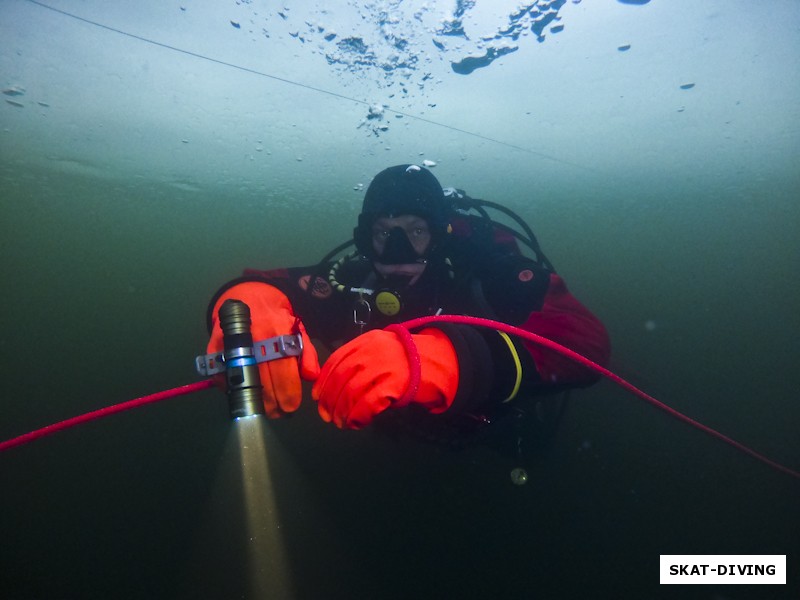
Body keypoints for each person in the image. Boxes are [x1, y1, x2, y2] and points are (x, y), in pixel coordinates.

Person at [205, 164, 610, 442]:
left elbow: (585, 342)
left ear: (440, 235)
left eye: (416, 230)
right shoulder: (351, 280)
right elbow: (274, 285)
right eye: (384, 232)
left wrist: (450, 358)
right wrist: (248, 303)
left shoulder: (481, 274)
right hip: (391, 443)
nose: (397, 250)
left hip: (487, 445)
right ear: (365, 237)